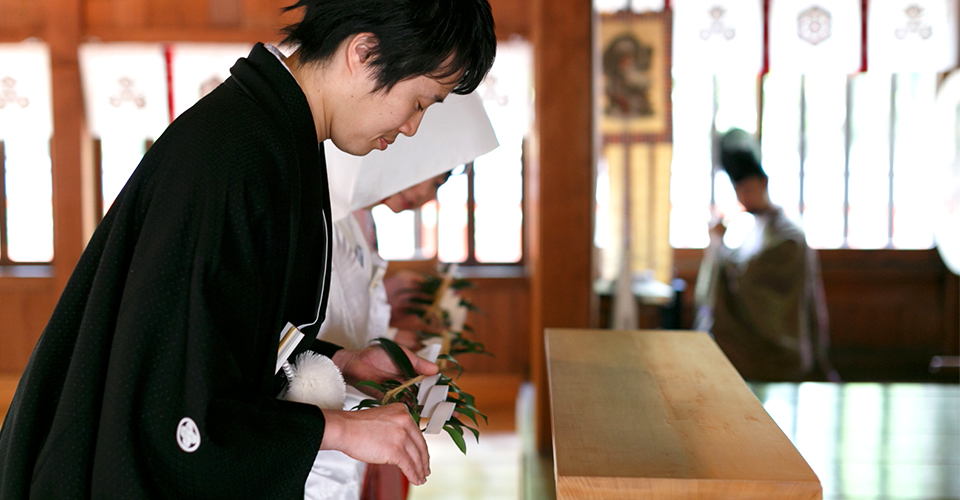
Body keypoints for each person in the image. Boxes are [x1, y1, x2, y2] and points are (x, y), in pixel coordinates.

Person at [0, 0, 497, 497]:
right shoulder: (233, 158)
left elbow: (232, 337)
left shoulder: (275, 139)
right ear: (364, 52)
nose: (412, 128)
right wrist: (343, 429)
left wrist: (341, 363)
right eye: (420, 102)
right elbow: (179, 406)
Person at [303, 91, 497, 500]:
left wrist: (386, 344)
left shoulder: (357, 217)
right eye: (438, 177)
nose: (429, 196)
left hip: (347, 444)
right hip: (309, 449)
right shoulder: (315, 210)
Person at [694, 128, 837, 382]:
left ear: (764, 182)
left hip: (777, 352)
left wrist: (718, 246)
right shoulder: (754, 227)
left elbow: (749, 283)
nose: (744, 196)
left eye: (749, 188)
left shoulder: (788, 237)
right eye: (739, 190)